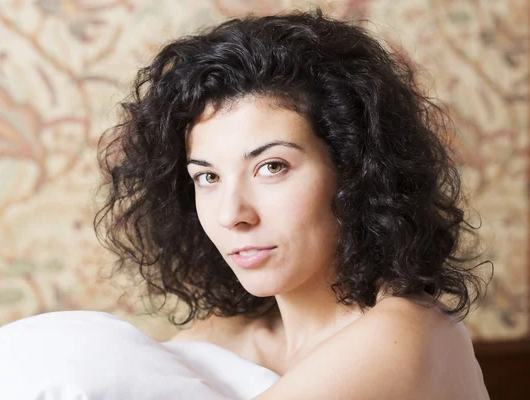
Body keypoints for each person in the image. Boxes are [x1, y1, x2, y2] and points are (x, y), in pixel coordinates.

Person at [94, 6, 493, 400]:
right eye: (208, 177)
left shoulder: (408, 334)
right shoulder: (222, 340)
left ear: (354, 170)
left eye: (271, 167)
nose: (232, 214)